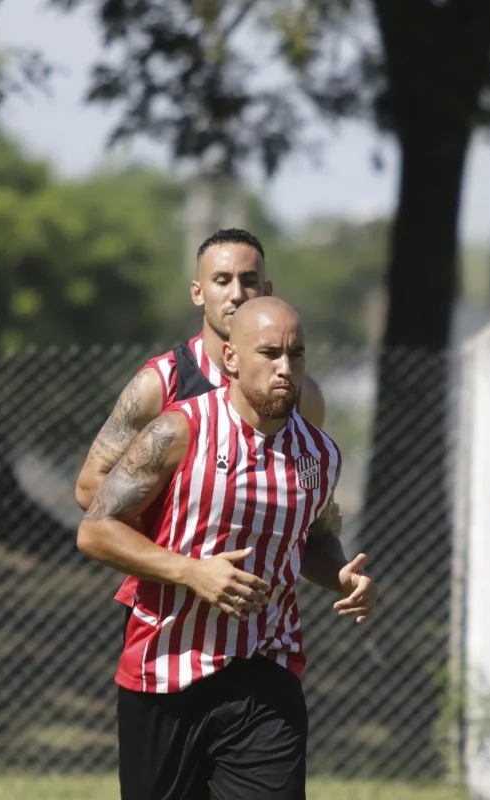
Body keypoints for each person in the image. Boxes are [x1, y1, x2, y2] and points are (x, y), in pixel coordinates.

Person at [77, 296, 378, 800]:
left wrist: (343, 575)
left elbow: (315, 540)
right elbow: (95, 530)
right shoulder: (179, 431)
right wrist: (192, 572)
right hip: (167, 673)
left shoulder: (318, 454)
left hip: (266, 672)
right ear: (232, 359)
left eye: (296, 354)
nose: (286, 369)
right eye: (269, 353)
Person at [75, 227, 327, 613]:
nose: (237, 294)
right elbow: (90, 486)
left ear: (268, 289)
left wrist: (339, 569)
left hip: (262, 621)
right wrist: (188, 560)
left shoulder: (299, 395)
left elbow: (310, 509)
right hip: (167, 610)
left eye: (250, 281)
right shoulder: (161, 383)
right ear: (198, 292)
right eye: (222, 281)